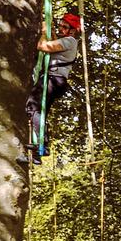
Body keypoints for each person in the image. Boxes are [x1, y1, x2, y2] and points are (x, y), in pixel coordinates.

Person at [28, 12, 81, 162]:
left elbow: (42, 46)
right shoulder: (65, 41)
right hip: (56, 81)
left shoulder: (70, 41)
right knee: (40, 114)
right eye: (60, 25)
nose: (61, 29)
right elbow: (55, 42)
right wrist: (50, 25)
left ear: (72, 31)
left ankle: (41, 144)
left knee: (32, 108)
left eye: (65, 27)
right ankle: (37, 155)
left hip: (53, 79)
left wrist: (44, 31)